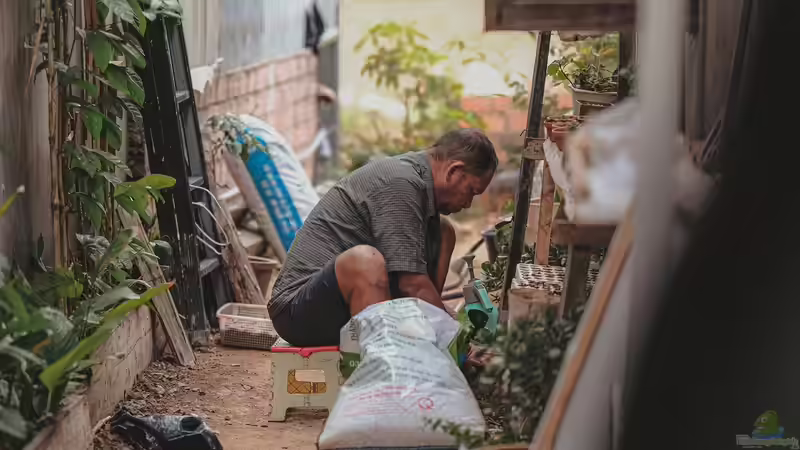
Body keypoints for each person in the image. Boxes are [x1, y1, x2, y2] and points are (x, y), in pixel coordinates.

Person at [268, 128, 497, 347]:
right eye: (471, 192)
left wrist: (447, 322)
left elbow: (421, 297)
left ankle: (423, 344)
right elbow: (412, 285)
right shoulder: (401, 183)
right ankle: (383, 372)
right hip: (298, 311)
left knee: (444, 232)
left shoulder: (416, 186)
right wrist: (455, 339)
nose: (468, 204)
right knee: (365, 260)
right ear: (453, 172)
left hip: (345, 303)